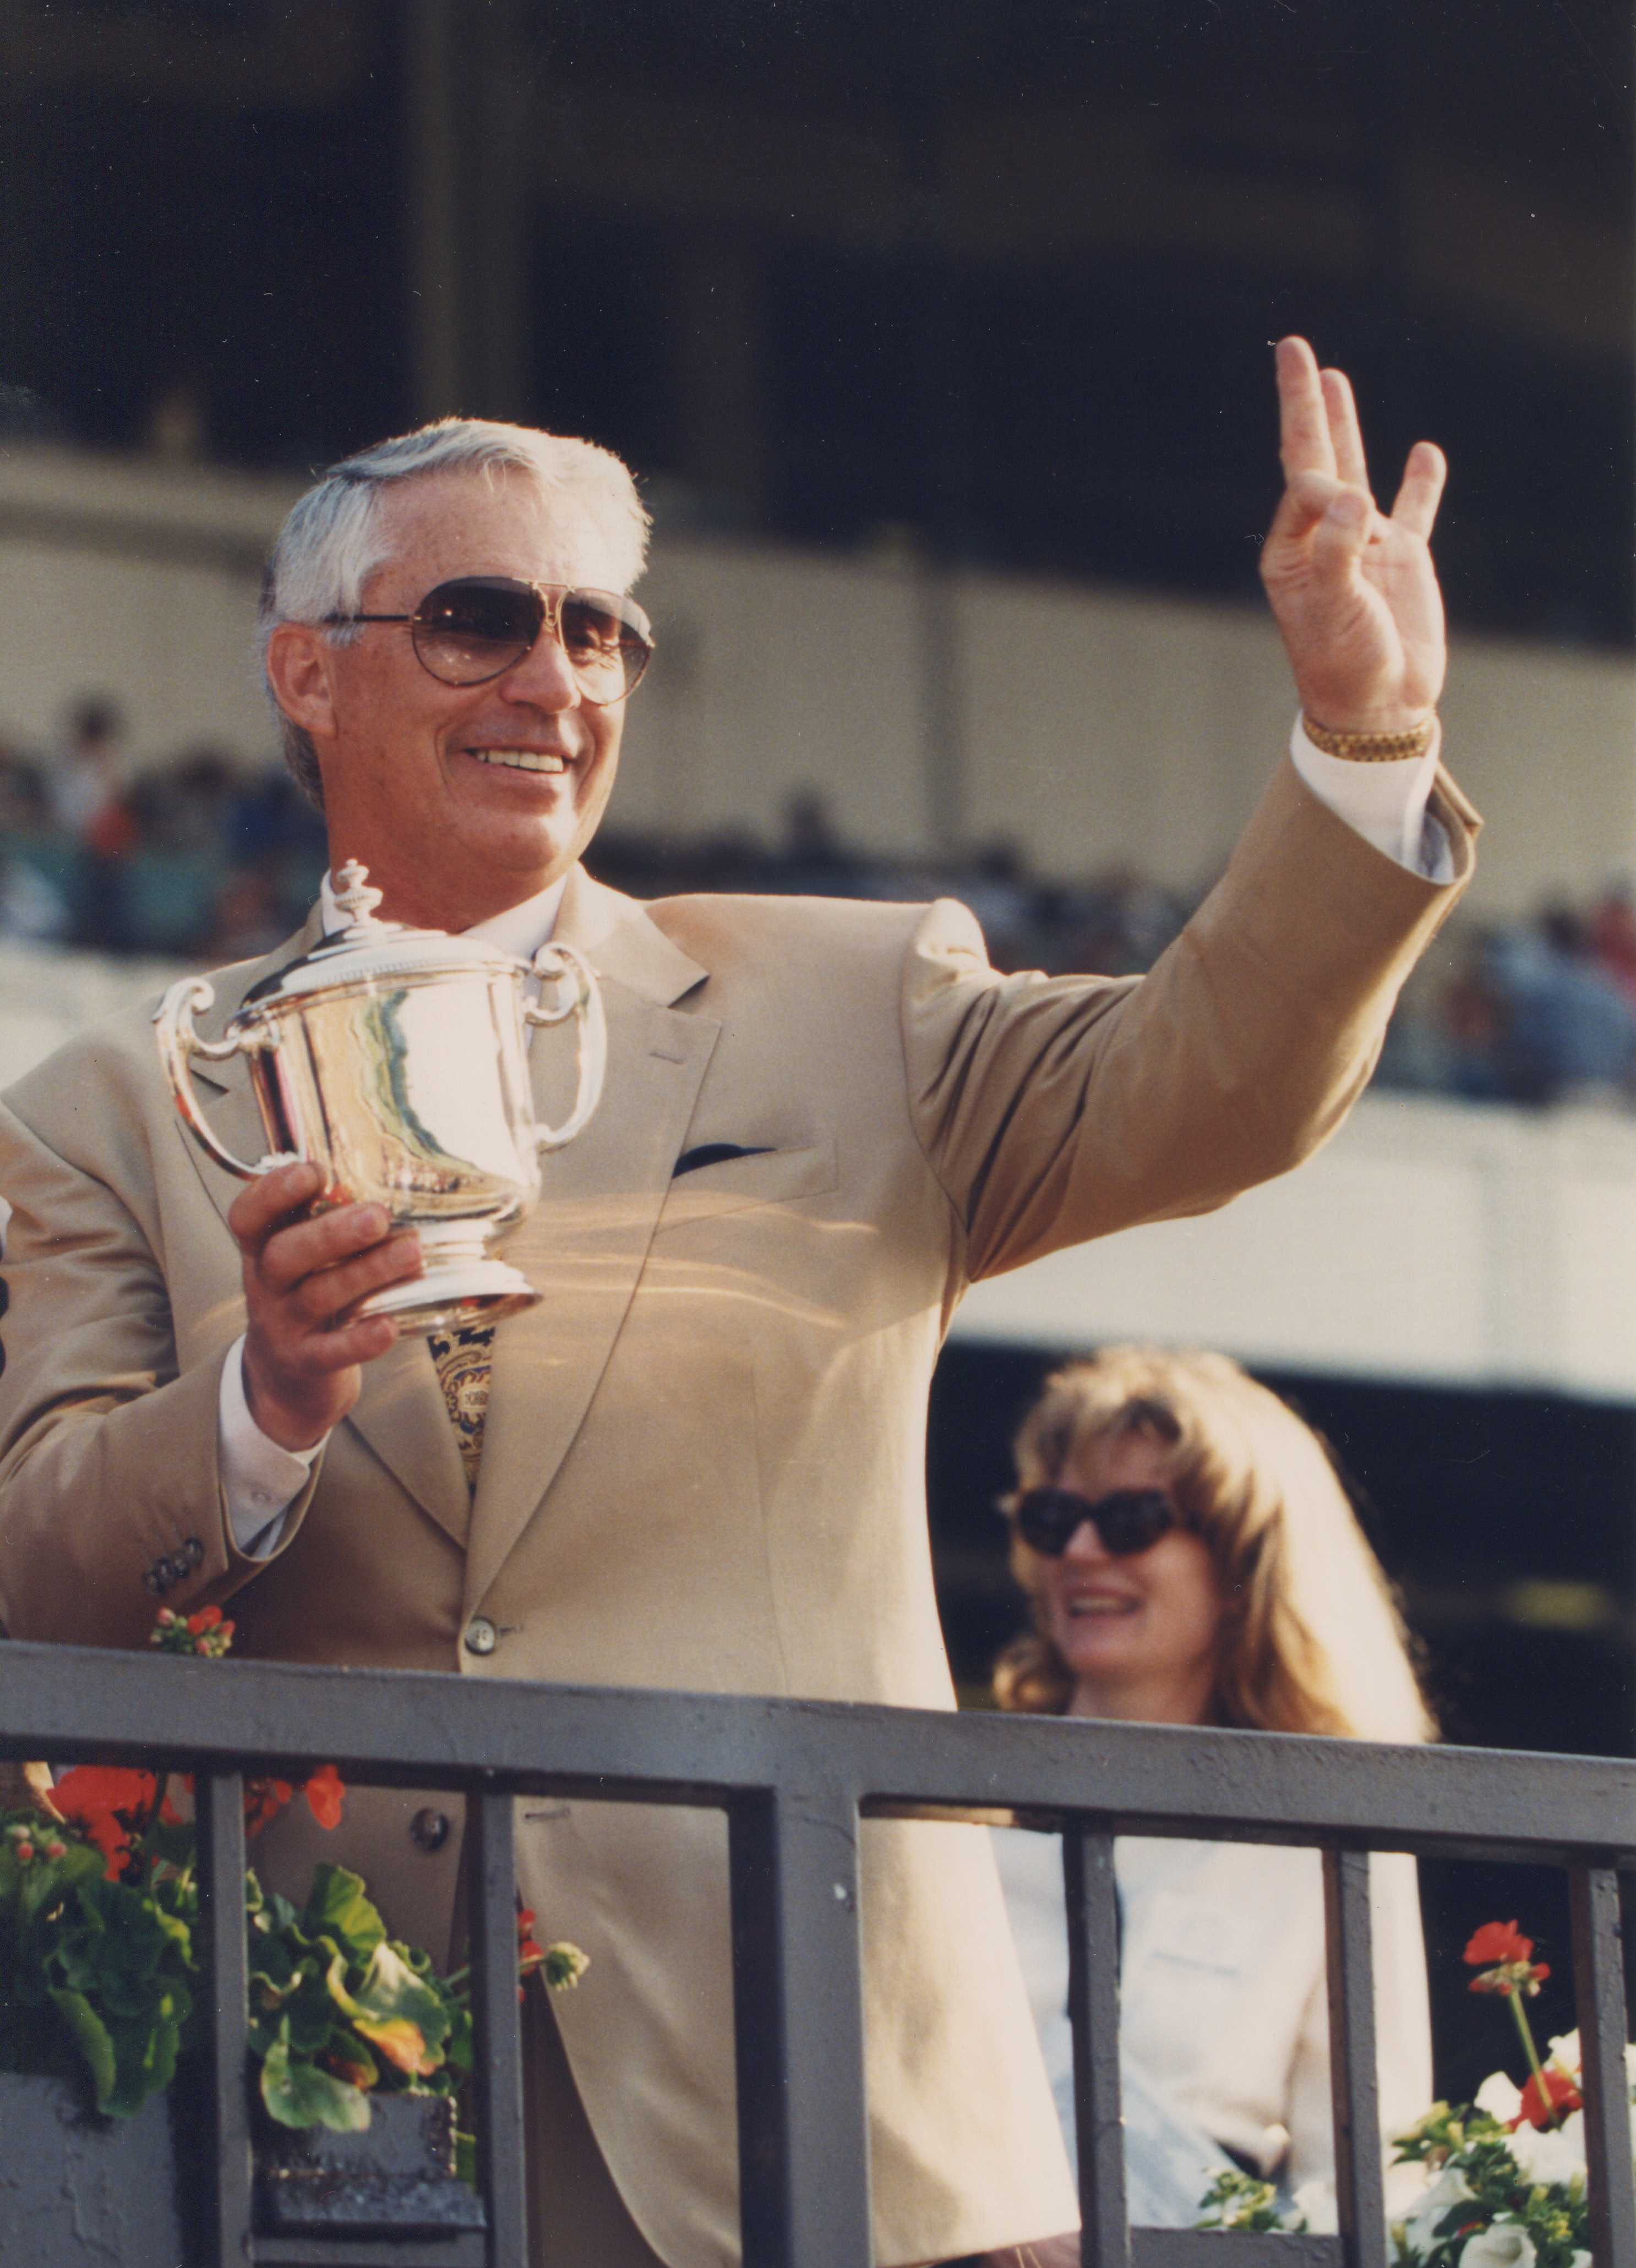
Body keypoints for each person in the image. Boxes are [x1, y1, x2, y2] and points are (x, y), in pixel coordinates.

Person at [0, 338, 1476, 2268]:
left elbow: (1218, 1081)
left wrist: (1360, 747)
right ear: (305, 667)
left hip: (827, 2119)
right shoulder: (106, 1109)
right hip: (324, 2135)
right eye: (478, 619)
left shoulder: (855, 1003)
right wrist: (260, 1404)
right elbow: (36, 1583)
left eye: (599, 633)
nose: (552, 679)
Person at [990, 1347, 1434, 2233]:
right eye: (1052, 1517)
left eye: (1131, 1518)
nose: (1079, 1550)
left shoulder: (1332, 1835)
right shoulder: (943, 1808)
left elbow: (1370, 2181)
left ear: (1244, 1561)